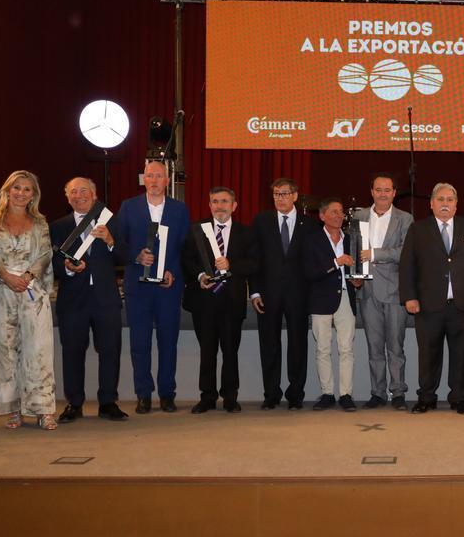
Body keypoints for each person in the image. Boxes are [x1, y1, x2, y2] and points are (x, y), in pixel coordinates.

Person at [399, 182, 464, 415]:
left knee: (462, 355)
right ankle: (427, 397)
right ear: (431, 204)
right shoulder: (418, 230)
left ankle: (460, 398)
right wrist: (409, 297)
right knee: (428, 354)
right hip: (429, 305)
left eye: (449, 200)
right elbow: (407, 266)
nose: (445, 204)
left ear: (456, 204)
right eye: (440, 200)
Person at [0, 170, 58, 430]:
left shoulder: (41, 222)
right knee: (5, 350)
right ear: (7, 190)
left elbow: (45, 254)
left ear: (33, 195)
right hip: (0, 290)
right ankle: (12, 409)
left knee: (38, 351)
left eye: (27, 189)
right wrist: (5, 275)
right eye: (17, 188)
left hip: (32, 290)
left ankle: (43, 410)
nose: (21, 193)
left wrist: (28, 275)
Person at [115, 160, 190, 414]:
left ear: (167, 180)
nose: (154, 180)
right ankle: (143, 395)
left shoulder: (180, 209)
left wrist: (174, 271)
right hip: (138, 286)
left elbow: (185, 248)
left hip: (168, 287)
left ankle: (167, 394)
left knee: (168, 342)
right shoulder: (128, 207)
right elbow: (118, 243)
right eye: (150, 176)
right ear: (143, 180)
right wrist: (136, 256)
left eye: (159, 176)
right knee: (140, 342)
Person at [51, 177, 128, 422]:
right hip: (72, 300)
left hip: (105, 299)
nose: (79, 195)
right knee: (72, 352)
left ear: (94, 195)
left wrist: (110, 241)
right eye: (73, 192)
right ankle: (74, 403)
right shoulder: (58, 226)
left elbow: (126, 256)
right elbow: (50, 263)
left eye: (84, 190)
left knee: (110, 351)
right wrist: (67, 268)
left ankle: (108, 402)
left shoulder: (110, 222)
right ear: (67, 197)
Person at [182, 187, 258, 414]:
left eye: (224, 201)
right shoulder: (197, 230)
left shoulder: (246, 233)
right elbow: (186, 259)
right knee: (207, 351)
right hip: (203, 300)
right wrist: (200, 276)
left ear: (234, 206)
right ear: (209, 205)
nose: (219, 206)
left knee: (230, 352)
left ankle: (230, 397)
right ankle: (207, 397)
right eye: (215, 201)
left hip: (231, 302)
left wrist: (231, 264)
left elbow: (254, 264)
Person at [250, 177, 315, 410]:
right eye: (277, 194)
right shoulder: (262, 221)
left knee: (298, 344)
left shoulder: (309, 225)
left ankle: (296, 393)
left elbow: (313, 263)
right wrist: (255, 291)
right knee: (269, 345)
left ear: (295, 196)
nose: (280, 198)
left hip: (299, 295)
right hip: (268, 294)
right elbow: (255, 259)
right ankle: (271, 393)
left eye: (285, 194)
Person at [358, 173, 414, 410]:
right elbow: (352, 247)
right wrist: (354, 276)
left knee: (395, 346)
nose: (382, 194)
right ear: (371, 191)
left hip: (394, 290)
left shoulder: (405, 219)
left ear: (394, 193)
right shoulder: (359, 216)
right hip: (367, 290)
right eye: (378, 189)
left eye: (387, 190)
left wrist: (376, 253)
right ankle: (378, 392)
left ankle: (398, 391)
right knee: (374, 347)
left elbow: (406, 251)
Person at [305, 198, 362, 412]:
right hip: (320, 300)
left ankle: (346, 394)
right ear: (322, 216)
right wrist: (335, 263)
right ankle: (327, 393)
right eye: (334, 212)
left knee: (347, 349)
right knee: (323, 349)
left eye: (341, 212)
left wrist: (357, 281)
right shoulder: (312, 240)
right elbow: (309, 273)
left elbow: (355, 271)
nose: (339, 216)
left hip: (346, 299)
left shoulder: (351, 239)